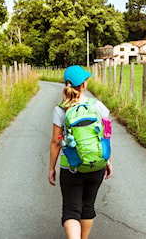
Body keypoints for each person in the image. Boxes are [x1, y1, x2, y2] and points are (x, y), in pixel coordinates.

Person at [49, 65, 113, 239]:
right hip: (96, 166)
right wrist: (107, 161)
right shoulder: (97, 106)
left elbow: (56, 142)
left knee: (71, 210)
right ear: (84, 84)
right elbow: (105, 136)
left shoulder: (60, 110)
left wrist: (51, 168)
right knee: (88, 207)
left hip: (71, 167)